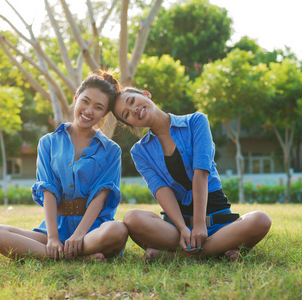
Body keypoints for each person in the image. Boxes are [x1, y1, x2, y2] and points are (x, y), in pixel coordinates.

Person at [111, 87, 272, 262]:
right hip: (177, 231)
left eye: (132, 101)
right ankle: (218, 250)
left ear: (146, 94)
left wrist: (199, 223)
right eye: (126, 115)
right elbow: (162, 190)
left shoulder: (196, 121)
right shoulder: (140, 151)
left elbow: (201, 174)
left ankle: (178, 257)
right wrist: (183, 228)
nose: (133, 111)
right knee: (132, 218)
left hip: (219, 223)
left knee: (260, 219)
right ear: (130, 124)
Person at [0, 71, 128, 261]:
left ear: (105, 113)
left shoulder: (111, 150)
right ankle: (70, 256)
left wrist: (79, 235)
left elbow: (100, 197)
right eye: (85, 101)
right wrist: (52, 238)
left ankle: (66, 253)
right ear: (76, 98)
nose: (88, 110)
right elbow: (48, 190)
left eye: (98, 107)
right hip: (54, 230)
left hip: (92, 231)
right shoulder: (48, 143)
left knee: (117, 230)